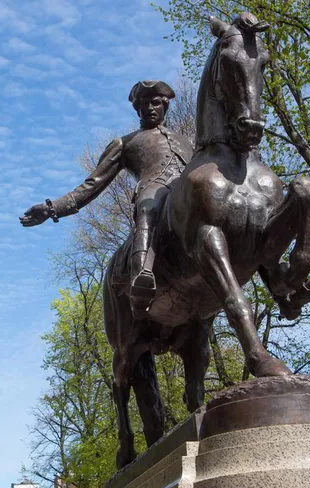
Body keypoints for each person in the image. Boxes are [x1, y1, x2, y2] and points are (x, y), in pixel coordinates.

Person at [20, 80, 192, 315]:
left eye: (155, 103)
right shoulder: (124, 143)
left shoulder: (186, 141)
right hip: (153, 191)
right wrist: (53, 209)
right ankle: (142, 273)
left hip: (186, 193)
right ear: (137, 109)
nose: (151, 108)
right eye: (144, 104)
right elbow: (93, 184)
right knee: (147, 207)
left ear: (165, 106)